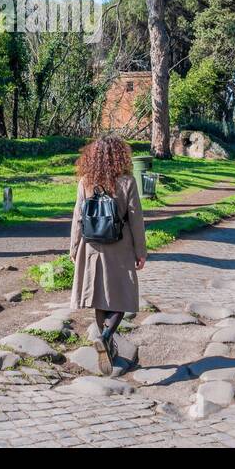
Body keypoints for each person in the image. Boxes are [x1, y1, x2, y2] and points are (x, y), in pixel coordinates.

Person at [70, 135, 146, 375]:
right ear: (120, 156)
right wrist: (140, 251)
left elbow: (78, 218)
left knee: (99, 297)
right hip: (120, 246)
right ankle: (105, 337)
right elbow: (135, 219)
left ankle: (107, 343)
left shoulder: (85, 181)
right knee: (122, 296)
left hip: (92, 246)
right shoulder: (127, 182)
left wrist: (74, 248)